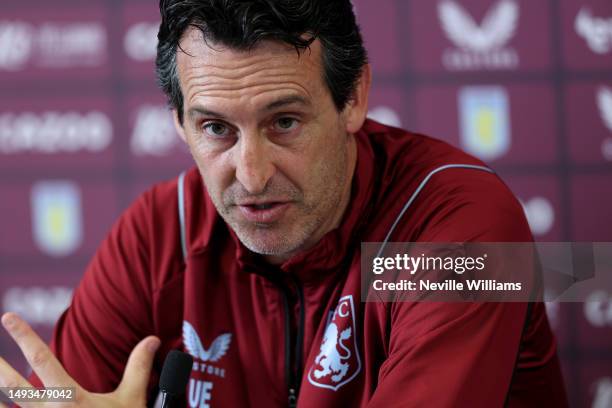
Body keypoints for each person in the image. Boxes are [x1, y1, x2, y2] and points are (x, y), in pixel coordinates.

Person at [0, 0, 568, 407]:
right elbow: (54, 397)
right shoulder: (158, 233)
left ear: (354, 98)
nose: (252, 174)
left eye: (285, 122)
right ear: (179, 123)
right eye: (217, 128)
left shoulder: (461, 228)